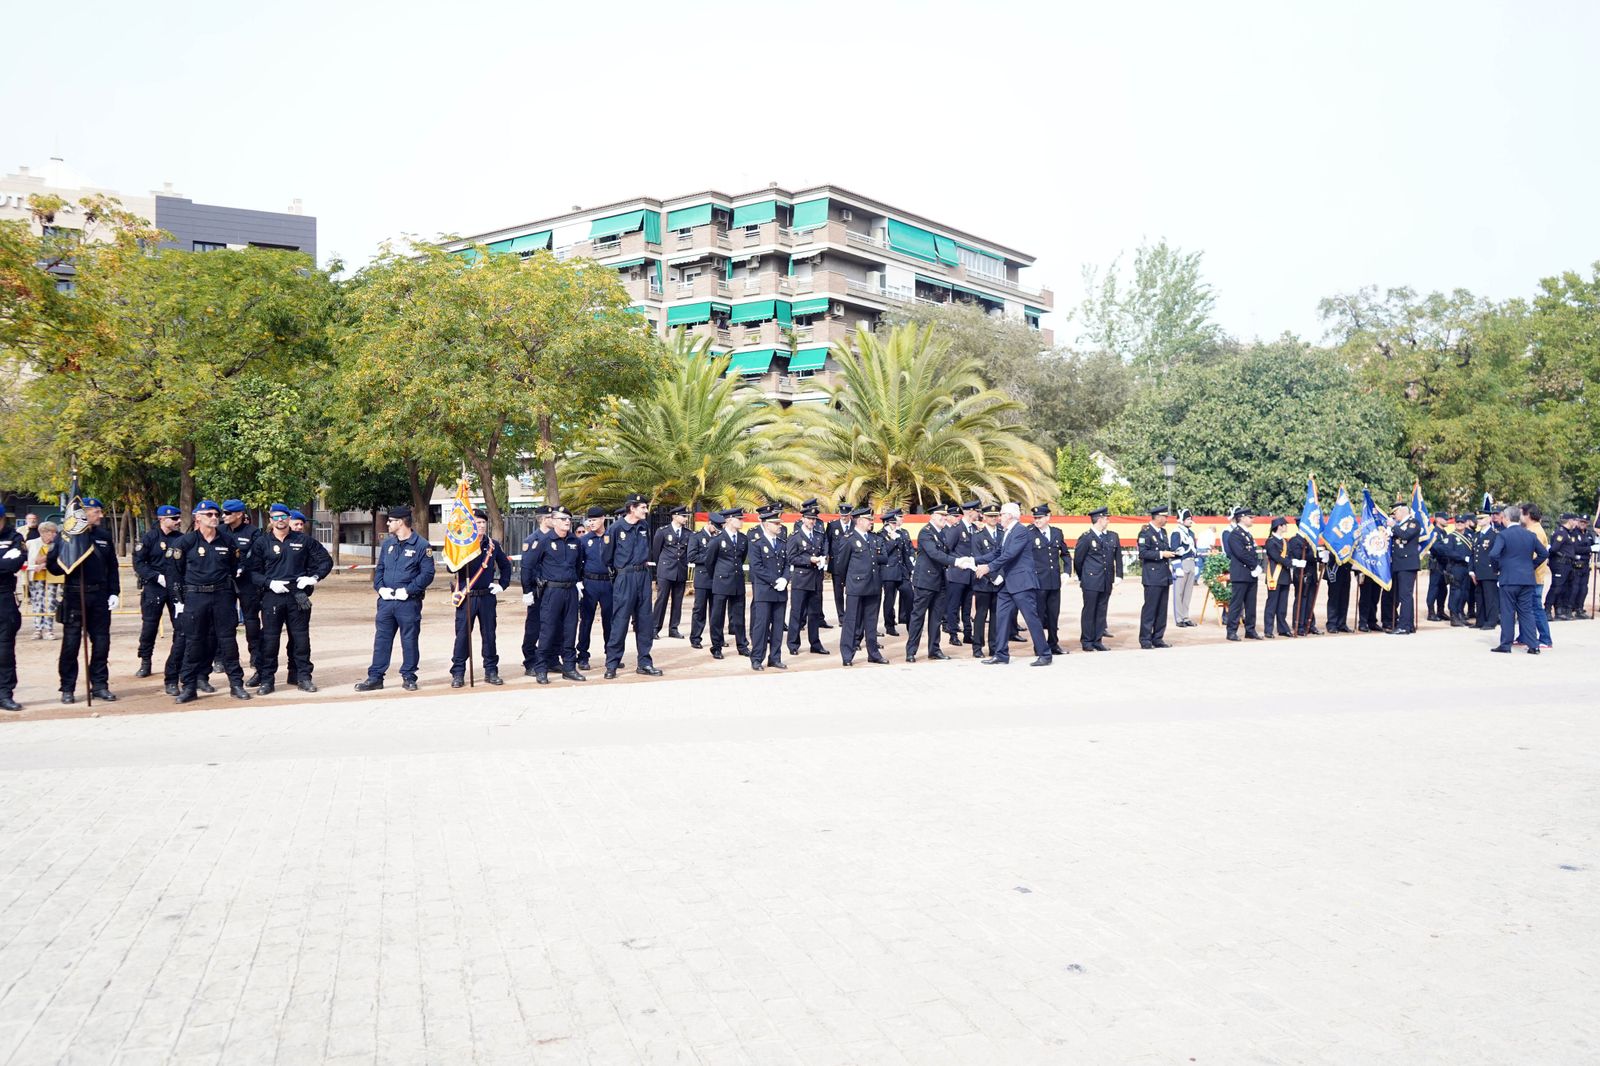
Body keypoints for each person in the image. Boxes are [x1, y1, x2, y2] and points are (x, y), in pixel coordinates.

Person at [247, 502, 334, 695]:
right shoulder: (262, 543)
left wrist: (313, 578)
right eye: (275, 517)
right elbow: (252, 572)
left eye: (283, 516)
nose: (280, 520)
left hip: (298, 596)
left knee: (301, 640)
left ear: (289, 518)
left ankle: (303, 677)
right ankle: (267, 680)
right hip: (272, 597)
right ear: (271, 520)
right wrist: (269, 583)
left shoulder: (304, 540)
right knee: (270, 641)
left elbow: (325, 561)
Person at [171, 500, 252, 703]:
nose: (214, 517)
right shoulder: (186, 542)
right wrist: (178, 600)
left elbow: (235, 567)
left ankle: (236, 684)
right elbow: (174, 573)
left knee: (228, 642)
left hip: (222, 596)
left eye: (216, 514)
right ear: (198, 517)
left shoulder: (227, 541)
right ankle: (189, 687)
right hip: (195, 597)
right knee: (194, 642)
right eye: (209, 514)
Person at [46, 497, 120, 704]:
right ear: (84, 512)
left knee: (102, 643)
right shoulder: (66, 536)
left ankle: (99, 685)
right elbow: (54, 568)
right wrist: (57, 555)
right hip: (74, 594)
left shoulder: (104, 536)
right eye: (97, 511)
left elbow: (112, 567)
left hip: (99, 596)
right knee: (71, 645)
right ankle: (67, 687)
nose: (101, 515)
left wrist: (114, 592)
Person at [355, 504, 435, 691]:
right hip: (386, 602)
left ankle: (409, 676)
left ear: (400, 522)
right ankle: (375, 677)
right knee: (382, 639)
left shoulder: (422, 545)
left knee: (409, 639)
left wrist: (408, 590)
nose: (388, 524)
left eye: (391, 521)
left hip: (408, 602)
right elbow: (380, 569)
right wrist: (380, 588)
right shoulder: (388, 544)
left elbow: (427, 574)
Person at [966, 502, 1051, 666]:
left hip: (1022, 583)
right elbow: (997, 553)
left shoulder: (1021, 531)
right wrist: (972, 560)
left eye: (1002, 514)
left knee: (1031, 618)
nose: (999, 517)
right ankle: (1001, 654)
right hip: (1007, 583)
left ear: (1010, 516)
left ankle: (1045, 654)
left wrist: (988, 568)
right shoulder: (1006, 532)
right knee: (1002, 618)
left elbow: (1010, 555)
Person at [602, 494, 662, 678]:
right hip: (625, 577)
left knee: (645, 620)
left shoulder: (644, 526)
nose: (646, 510)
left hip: (643, 576)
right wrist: (621, 573)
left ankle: (644, 662)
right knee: (620, 621)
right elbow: (607, 557)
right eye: (643, 507)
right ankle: (612, 664)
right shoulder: (615, 528)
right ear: (632, 508)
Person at [450, 510, 511, 687]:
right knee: (462, 636)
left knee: (489, 636)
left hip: (486, 597)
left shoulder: (493, 545)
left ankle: (491, 670)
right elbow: (450, 568)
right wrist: (459, 555)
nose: (481, 525)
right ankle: (458, 673)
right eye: (477, 523)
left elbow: (505, 566)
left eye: (483, 522)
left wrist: (502, 585)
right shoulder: (462, 545)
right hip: (466, 597)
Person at [529, 507, 587, 684]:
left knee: (570, 630)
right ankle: (541, 668)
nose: (567, 522)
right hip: (552, 591)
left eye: (568, 519)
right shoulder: (544, 541)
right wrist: (528, 590)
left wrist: (576, 582)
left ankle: (569, 667)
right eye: (562, 519)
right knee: (548, 630)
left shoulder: (575, 542)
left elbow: (578, 566)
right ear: (553, 521)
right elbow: (529, 565)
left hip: (570, 590)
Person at [132, 505, 184, 678]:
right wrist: (155, 576)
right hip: (154, 587)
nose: (178, 521)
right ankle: (145, 661)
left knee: (181, 625)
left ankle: (178, 661)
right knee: (149, 626)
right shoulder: (149, 538)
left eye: (179, 518)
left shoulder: (182, 539)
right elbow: (139, 563)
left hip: (175, 588)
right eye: (174, 518)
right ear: (162, 519)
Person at [1488, 504, 1547, 655]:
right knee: (1526, 612)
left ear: (1506, 518)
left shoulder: (1504, 535)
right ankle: (1533, 645)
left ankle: (1506, 644)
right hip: (1527, 579)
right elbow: (1544, 554)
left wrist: (1498, 569)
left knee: (1508, 611)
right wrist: (1531, 566)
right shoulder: (1530, 535)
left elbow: (1493, 555)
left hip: (1509, 578)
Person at [838, 508, 889, 666]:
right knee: (851, 622)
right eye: (868, 520)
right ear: (859, 521)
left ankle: (873, 653)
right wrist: (848, 582)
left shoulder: (873, 538)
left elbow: (881, 559)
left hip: (873, 585)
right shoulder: (849, 539)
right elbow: (841, 566)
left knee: (871, 622)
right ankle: (847, 654)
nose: (871, 522)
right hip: (856, 586)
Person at [220, 499, 263, 683]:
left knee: (251, 622)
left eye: (228, 513)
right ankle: (223, 658)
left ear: (239, 514)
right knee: (224, 622)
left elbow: (256, 554)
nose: (223, 516)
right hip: (225, 583)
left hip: (247, 583)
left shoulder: (252, 532)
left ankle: (256, 657)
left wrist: (243, 567)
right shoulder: (220, 530)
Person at [905, 507, 956, 663]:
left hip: (940, 581)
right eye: (941, 515)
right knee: (918, 617)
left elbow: (947, 552)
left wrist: (964, 560)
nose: (944, 518)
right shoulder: (926, 532)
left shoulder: (942, 533)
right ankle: (911, 651)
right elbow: (934, 554)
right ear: (933, 516)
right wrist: (956, 562)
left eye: (945, 515)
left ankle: (934, 649)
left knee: (936, 618)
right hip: (925, 582)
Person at [746, 504, 790, 671]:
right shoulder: (757, 543)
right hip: (765, 591)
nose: (779, 526)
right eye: (776, 523)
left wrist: (785, 579)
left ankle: (775, 657)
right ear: (766, 524)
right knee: (761, 626)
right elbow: (757, 567)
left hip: (780, 591)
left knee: (778, 627)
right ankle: (757, 658)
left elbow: (787, 564)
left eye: (779, 523)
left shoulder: (782, 542)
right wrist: (775, 581)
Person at [702, 508, 749, 661]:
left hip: (737, 582)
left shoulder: (743, 539)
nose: (742, 521)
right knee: (717, 616)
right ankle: (716, 646)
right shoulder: (717, 540)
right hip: (721, 582)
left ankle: (742, 645)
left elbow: (741, 559)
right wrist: (717, 577)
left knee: (739, 616)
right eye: (739, 519)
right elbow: (709, 563)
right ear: (729, 520)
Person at [784, 502, 829, 656]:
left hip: (816, 579)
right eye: (809, 518)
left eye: (814, 519)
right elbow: (791, 558)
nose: (812, 521)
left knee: (814, 613)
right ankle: (793, 644)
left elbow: (823, 551)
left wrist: (823, 559)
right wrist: (810, 559)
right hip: (801, 580)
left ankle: (815, 643)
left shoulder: (818, 536)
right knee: (797, 612)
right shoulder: (795, 537)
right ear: (802, 519)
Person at [1073, 508, 1117, 651]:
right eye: (1106, 518)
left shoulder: (1108, 537)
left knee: (1101, 611)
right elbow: (1078, 561)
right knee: (1089, 611)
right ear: (1100, 519)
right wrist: (1083, 577)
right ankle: (1087, 641)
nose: (1108, 521)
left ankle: (1098, 640)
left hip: (1105, 580)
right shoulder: (1086, 538)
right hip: (1091, 581)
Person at [1029, 504, 1069, 655]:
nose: (1037, 520)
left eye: (1040, 518)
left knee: (1053, 615)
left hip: (1054, 582)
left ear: (1048, 517)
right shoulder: (1029, 533)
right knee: (1038, 615)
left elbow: (1064, 553)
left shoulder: (1057, 532)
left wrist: (1066, 571)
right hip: (1038, 582)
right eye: (1035, 518)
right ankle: (1039, 646)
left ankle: (1053, 644)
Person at [575, 507, 612, 671]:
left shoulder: (611, 537)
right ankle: (582, 656)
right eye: (590, 520)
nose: (592, 523)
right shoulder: (584, 540)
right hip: (589, 583)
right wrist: (579, 582)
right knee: (586, 621)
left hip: (608, 584)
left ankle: (611, 654)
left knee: (609, 621)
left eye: (595, 520)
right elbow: (578, 563)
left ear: (603, 519)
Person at [519, 504, 551, 676]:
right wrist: (527, 591)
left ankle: (552, 659)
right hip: (538, 590)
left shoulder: (557, 538)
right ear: (545, 519)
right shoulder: (532, 540)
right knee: (534, 627)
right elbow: (526, 567)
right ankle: (530, 661)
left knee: (554, 625)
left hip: (553, 590)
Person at [941, 501, 979, 646]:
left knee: (967, 606)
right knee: (953, 606)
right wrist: (954, 564)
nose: (979, 514)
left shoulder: (975, 528)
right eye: (977, 511)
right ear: (970, 512)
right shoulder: (957, 529)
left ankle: (968, 634)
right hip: (957, 574)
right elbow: (947, 549)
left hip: (971, 574)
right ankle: (953, 634)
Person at [1136, 505, 1175, 648]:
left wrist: (1174, 553)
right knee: (1150, 609)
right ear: (1158, 517)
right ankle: (1145, 639)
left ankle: (1158, 638)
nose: (1166, 519)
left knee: (1162, 609)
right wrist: (1161, 554)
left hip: (1164, 575)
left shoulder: (1163, 532)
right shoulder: (1145, 533)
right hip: (1152, 576)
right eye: (1164, 516)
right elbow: (1143, 553)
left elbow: (1166, 549)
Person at [650, 505, 691, 638]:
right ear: (674, 516)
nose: (685, 518)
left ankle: (673, 628)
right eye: (683, 516)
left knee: (677, 600)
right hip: (666, 570)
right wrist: (659, 569)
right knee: (661, 599)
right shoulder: (662, 531)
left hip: (680, 570)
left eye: (686, 516)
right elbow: (656, 552)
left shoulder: (688, 533)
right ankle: (655, 628)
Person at [0, 505, 25, 712]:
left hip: (4, 598)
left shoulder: (14, 537)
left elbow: (14, 564)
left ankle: (5, 694)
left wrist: (5, 563)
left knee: (5, 650)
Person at [1223, 507, 1262, 641]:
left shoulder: (1247, 534)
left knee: (1251, 604)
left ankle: (1250, 630)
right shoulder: (1235, 534)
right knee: (1236, 604)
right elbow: (1240, 553)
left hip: (1250, 574)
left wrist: (1256, 566)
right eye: (1250, 517)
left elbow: (1252, 552)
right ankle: (1231, 631)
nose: (1252, 519)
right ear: (1242, 518)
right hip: (1240, 574)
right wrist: (1254, 565)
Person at [687, 510, 722, 650]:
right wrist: (709, 559)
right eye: (715, 526)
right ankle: (695, 637)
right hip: (702, 578)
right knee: (699, 610)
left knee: (716, 612)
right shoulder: (696, 537)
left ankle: (717, 639)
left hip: (716, 578)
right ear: (709, 523)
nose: (716, 530)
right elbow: (691, 556)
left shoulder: (719, 537)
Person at [969, 505, 1002, 657]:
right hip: (983, 581)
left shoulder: (1003, 533)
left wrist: (1000, 576)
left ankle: (994, 647)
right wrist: (992, 577)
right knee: (981, 616)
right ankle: (977, 647)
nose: (993, 519)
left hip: (1000, 581)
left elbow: (1006, 557)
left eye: (995, 516)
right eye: (990, 516)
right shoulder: (977, 535)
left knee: (996, 616)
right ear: (984, 517)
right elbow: (977, 561)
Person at [1431, 516, 1474, 626]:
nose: (1459, 524)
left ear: (1465, 524)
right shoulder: (1451, 537)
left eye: (1462, 522)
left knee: (1464, 592)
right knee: (1456, 592)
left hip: (1466, 568)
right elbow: (1448, 551)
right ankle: (1454, 616)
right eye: (1457, 522)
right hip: (1456, 567)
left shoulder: (1469, 536)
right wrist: (1463, 557)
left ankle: (1460, 614)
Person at [26, 520, 63, 641]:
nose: (54, 535)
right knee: (37, 602)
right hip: (36, 577)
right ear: (43, 532)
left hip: (52, 577)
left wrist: (45, 561)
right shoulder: (32, 543)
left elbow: (58, 558)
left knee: (50, 602)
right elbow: (33, 560)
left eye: (55, 532)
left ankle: (49, 629)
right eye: (51, 532)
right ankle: (38, 629)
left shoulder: (57, 544)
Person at [1388, 504, 1422, 634]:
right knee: (1404, 596)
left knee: (1405, 596)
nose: (1394, 516)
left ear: (1402, 512)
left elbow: (1405, 535)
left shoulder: (1413, 523)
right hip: (1399, 564)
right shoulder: (1399, 525)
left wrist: (1393, 527)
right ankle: (1409, 624)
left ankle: (1404, 625)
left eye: (1395, 513)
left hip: (1407, 564)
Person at [1524, 504, 1553, 650]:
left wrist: (1527, 567)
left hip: (1534, 577)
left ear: (1528, 515)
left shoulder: (1534, 531)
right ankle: (1524, 636)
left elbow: (1534, 555)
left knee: (1535, 608)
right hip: (1534, 576)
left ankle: (1545, 638)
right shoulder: (1533, 530)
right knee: (1526, 608)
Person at [877, 511, 910, 637]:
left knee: (909, 595)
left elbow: (905, 552)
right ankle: (889, 625)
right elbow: (884, 552)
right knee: (889, 599)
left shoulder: (900, 533)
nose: (895, 525)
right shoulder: (881, 535)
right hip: (888, 571)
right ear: (886, 523)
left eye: (895, 522)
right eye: (892, 523)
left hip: (901, 570)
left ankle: (910, 624)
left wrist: (910, 568)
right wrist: (892, 540)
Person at [1471, 503, 1502, 632]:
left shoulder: (1495, 534)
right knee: (1479, 597)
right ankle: (1480, 620)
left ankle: (1491, 620)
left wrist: (1497, 570)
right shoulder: (1477, 535)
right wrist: (1471, 571)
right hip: (1478, 571)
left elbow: (1497, 554)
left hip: (1490, 571)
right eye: (1478, 519)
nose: (1479, 521)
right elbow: (1473, 554)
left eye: (1482, 518)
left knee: (1490, 597)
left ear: (1489, 519)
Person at [1285, 522, 1319, 636]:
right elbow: (1299, 555)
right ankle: (1298, 624)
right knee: (1301, 600)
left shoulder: (1310, 540)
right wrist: (1315, 557)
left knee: (1310, 601)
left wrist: (1319, 557)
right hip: (1301, 575)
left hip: (1312, 574)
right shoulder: (1295, 540)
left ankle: (1309, 624)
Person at [1262, 516, 1294, 639]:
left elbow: (1289, 555)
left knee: (1282, 605)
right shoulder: (1270, 541)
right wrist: (1291, 563)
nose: (1286, 527)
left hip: (1285, 576)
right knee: (1272, 604)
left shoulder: (1285, 541)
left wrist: (1293, 561)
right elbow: (1276, 557)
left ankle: (1282, 628)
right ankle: (1268, 629)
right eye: (1285, 525)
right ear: (1279, 526)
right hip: (1274, 576)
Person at [1169, 509, 1200, 627]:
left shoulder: (1191, 533)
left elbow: (1195, 550)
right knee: (1179, 593)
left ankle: (1186, 616)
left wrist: (1196, 565)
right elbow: (1174, 549)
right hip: (1181, 564)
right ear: (1181, 520)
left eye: (1190, 518)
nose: (1190, 521)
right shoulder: (1176, 533)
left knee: (1188, 593)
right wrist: (1177, 566)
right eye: (1187, 519)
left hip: (1191, 563)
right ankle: (1179, 618)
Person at [1545, 514, 1578, 620]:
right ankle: (1547, 610)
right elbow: (1553, 549)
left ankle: (1559, 610)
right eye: (1574, 520)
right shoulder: (1561, 533)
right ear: (1570, 521)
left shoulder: (1567, 533)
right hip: (1560, 563)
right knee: (1556, 587)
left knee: (1563, 588)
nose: (1575, 522)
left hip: (1567, 564)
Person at [826, 503, 852, 626]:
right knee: (838, 592)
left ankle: (851, 614)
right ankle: (842, 617)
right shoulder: (832, 525)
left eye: (846, 515)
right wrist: (825, 557)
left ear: (850, 515)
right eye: (842, 515)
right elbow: (828, 541)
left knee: (851, 591)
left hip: (851, 564)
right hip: (836, 564)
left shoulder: (855, 525)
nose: (843, 517)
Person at [1425, 514, 1451, 621]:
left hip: (1444, 563)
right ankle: (1431, 612)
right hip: (1437, 563)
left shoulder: (1443, 532)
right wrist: (1449, 551)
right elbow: (1437, 548)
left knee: (1443, 589)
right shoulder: (1434, 532)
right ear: (1438, 520)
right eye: (1445, 519)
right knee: (1434, 588)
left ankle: (1440, 611)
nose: (1447, 521)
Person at [1571, 514, 1595, 619]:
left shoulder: (1589, 535)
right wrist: (1588, 549)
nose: (1582, 524)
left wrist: (1589, 549)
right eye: (1581, 521)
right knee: (1574, 587)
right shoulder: (1574, 534)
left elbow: (1593, 546)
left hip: (1586, 564)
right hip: (1576, 564)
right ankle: (1570, 608)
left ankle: (1580, 608)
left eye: (1585, 522)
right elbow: (1575, 549)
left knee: (1584, 588)